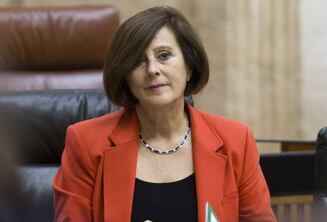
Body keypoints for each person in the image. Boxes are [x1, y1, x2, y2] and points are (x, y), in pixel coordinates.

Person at [53, 6, 277, 222]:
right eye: (138, 61)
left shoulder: (236, 141)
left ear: (189, 66)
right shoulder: (86, 143)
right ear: (125, 77)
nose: (152, 70)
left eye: (164, 55)